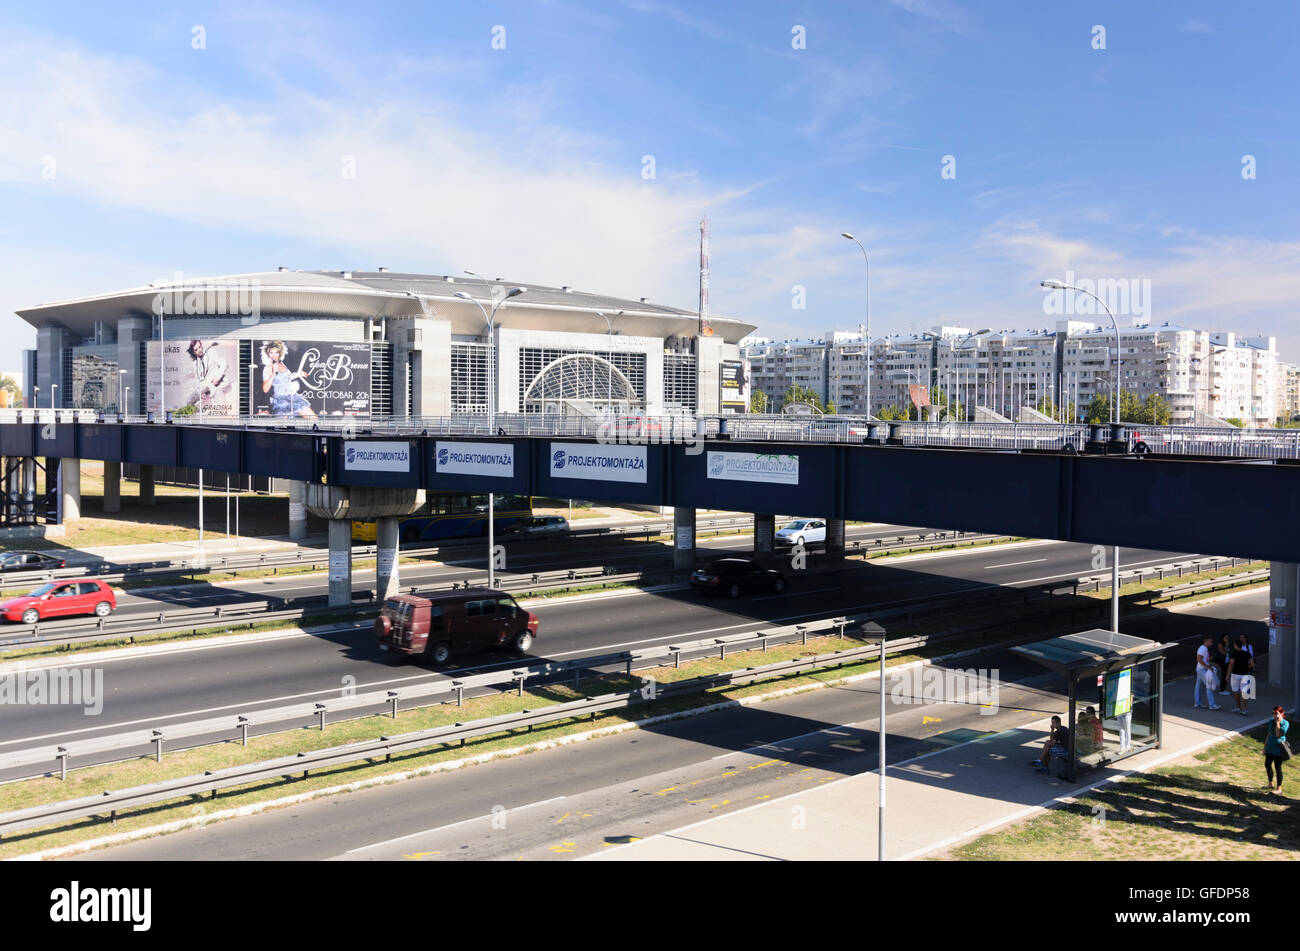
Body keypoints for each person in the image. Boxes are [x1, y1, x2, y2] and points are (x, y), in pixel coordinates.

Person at [260, 341, 317, 419]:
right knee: (283, 426)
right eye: (271, 352)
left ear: (280, 353)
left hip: (293, 397)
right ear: (268, 353)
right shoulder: (267, 368)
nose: (274, 355)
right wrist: (273, 374)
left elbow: (286, 378)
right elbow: (265, 389)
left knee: (314, 419)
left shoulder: (282, 364)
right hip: (281, 400)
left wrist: (299, 374)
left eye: (276, 352)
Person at [1264, 706, 1290, 793]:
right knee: (1267, 765)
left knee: (1277, 767)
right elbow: (1269, 734)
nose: (1274, 715)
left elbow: (1278, 735)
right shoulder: (1271, 722)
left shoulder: (1285, 723)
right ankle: (1270, 784)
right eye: (1273, 713)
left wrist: (1278, 723)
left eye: (1276, 713)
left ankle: (1279, 788)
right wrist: (1265, 747)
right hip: (1270, 747)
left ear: (1282, 713)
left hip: (1278, 749)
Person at [1227, 636, 1254, 716]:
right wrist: (1247, 668)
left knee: (1235, 692)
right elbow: (1252, 664)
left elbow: (1231, 664)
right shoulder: (1247, 654)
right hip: (1245, 675)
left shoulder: (1234, 654)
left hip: (1235, 674)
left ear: (1235, 645)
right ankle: (1244, 709)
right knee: (1244, 693)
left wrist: (1228, 674)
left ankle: (1238, 707)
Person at [1194, 635, 1223, 710]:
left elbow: (1202, 660)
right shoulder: (1203, 648)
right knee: (1209, 686)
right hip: (1202, 669)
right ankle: (1212, 704)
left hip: (1200, 669)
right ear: (1206, 641)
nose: (1212, 643)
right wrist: (1208, 667)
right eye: (1210, 641)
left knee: (1198, 687)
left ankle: (1197, 703)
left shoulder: (1204, 648)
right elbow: (1199, 659)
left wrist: (1210, 663)